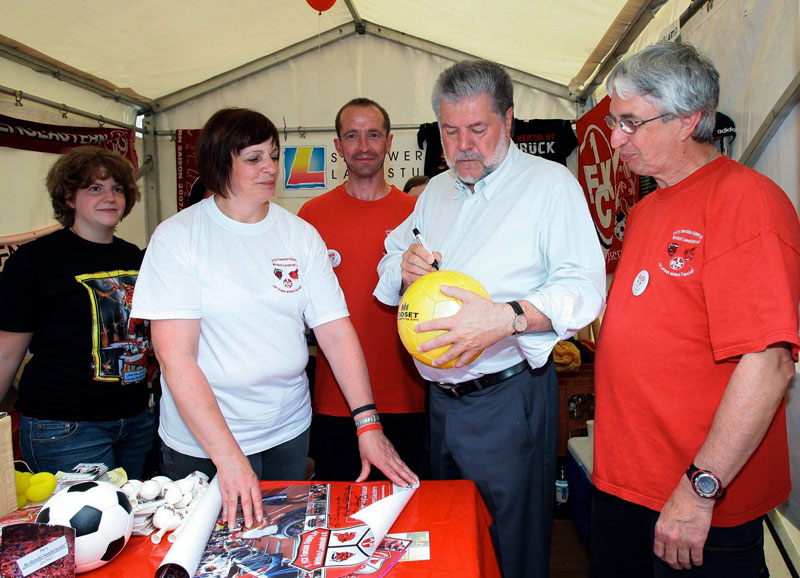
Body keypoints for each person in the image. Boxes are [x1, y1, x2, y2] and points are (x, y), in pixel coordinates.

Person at [131, 108, 417, 530]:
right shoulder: (178, 237)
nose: (270, 168)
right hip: (205, 443)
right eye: (253, 158)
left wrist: (367, 423)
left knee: (280, 549)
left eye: (274, 155)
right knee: (210, 553)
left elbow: (336, 333)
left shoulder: (299, 235)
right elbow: (177, 360)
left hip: (286, 431)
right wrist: (229, 459)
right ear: (219, 161)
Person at [374, 60, 606, 578]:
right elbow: (389, 261)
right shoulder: (435, 191)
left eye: (477, 129)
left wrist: (508, 318)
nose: (462, 146)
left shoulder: (549, 186)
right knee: (456, 536)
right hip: (442, 401)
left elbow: (585, 289)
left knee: (514, 547)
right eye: (450, 131)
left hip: (509, 399)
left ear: (509, 120)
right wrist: (405, 267)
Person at [591, 42, 800, 578]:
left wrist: (700, 488)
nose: (616, 139)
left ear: (688, 120)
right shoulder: (646, 209)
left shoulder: (744, 201)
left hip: (697, 503)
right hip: (627, 488)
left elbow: (770, 362)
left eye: (631, 123)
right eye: (616, 122)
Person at [0, 146, 154, 477]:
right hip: (65, 427)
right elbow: (6, 351)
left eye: (117, 188)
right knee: (84, 527)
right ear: (69, 198)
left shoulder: (137, 259)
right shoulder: (33, 261)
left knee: (134, 525)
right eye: (94, 188)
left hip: (136, 422)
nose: (110, 197)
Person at [297, 98, 426, 481]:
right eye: (352, 136)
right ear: (338, 146)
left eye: (373, 135)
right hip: (336, 401)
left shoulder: (417, 214)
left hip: (409, 395)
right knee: (340, 515)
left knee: (409, 519)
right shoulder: (311, 217)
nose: (364, 146)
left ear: (389, 143)